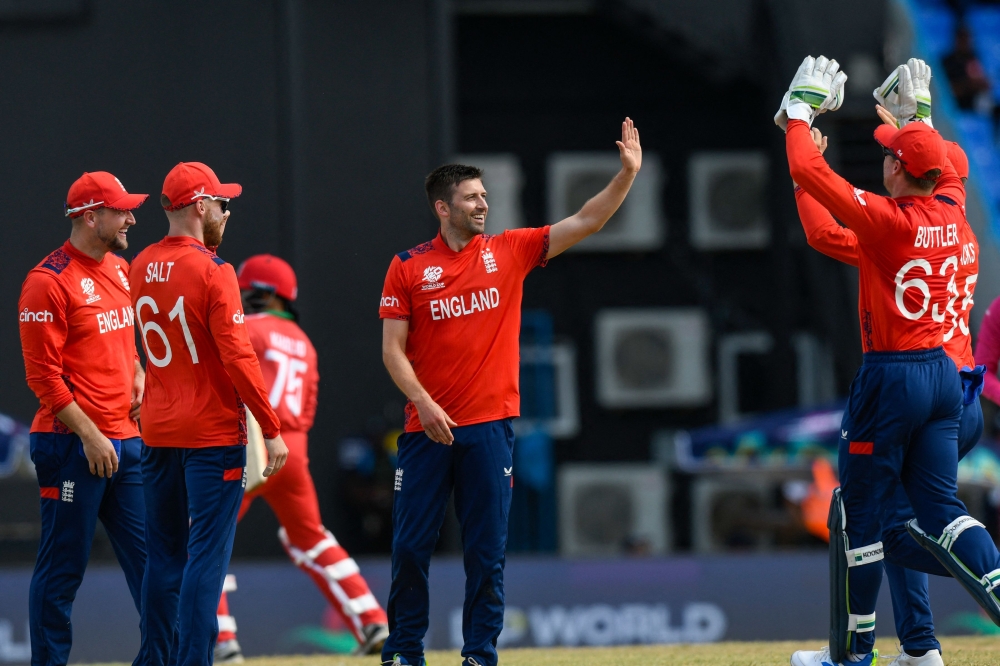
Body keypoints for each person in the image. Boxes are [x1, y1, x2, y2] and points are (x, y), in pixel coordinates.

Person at [378, 118, 642, 666]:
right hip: (424, 430)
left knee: (486, 554)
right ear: (442, 208)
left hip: (490, 426)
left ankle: (479, 655)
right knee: (409, 549)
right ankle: (404, 653)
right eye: (471, 198)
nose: (483, 205)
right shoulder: (407, 267)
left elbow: (587, 219)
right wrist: (424, 404)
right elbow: (392, 351)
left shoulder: (512, 251)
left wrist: (627, 175)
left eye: (485, 196)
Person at [774, 56, 1000, 666]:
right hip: (955, 390)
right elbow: (955, 165)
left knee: (865, 518)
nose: (885, 155)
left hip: (897, 377)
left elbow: (811, 180)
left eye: (892, 150)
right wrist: (918, 117)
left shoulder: (886, 225)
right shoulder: (956, 212)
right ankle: (923, 647)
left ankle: (853, 655)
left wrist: (797, 113)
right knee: (926, 515)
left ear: (899, 167)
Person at [130, 162, 289, 666]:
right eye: (222, 203)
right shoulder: (214, 270)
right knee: (206, 559)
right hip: (210, 433)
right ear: (200, 206)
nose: (226, 211)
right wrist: (271, 426)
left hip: (156, 430)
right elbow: (238, 356)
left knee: (163, 556)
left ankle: (154, 658)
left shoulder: (138, 265)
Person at [213, 254, 389, 663]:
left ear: (259, 293)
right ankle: (371, 619)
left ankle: (222, 642)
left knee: (202, 538)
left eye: (245, 291)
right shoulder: (306, 345)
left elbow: (225, 383)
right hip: (293, 451)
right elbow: (307, 411)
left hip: (249, 445)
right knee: (310, 537)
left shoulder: (247, 329)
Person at [19, 171, 148, 666]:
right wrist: (92, 436)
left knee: (153, 565)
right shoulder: (46, 282)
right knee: (62, 571)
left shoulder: (120, 268)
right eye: (121, 210)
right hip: (72, 445)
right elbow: (43, 380)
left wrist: (137, 371)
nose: (132, 217)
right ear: (91, 216)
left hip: (126, 442)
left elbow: (126, 342)